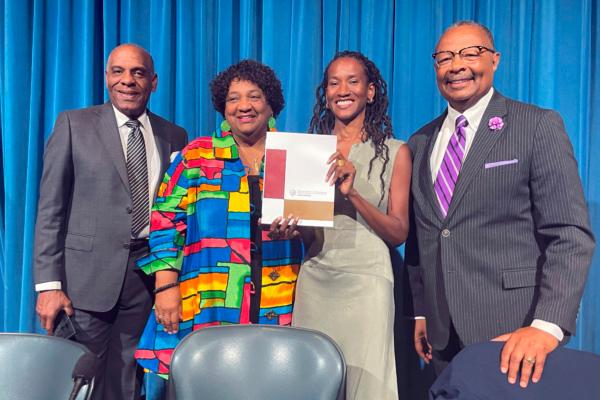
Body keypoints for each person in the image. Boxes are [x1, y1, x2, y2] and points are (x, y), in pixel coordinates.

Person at [405, 21, 595, 388]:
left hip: (516, 330)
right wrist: (421, 312)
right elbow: (421, 239)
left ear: (495, 60)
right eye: (445, 57)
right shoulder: (419, 142)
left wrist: (546, 326)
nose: (456, 65)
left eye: (470, 53)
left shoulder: (536, 125)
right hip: (442, 337)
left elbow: (570, 234)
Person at [33, 44, 188, 399]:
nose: (127, 81)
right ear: (107, 78)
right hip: (82, 283)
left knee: (126, 383)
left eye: (137, 72)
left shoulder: (174, 136)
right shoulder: (73, 123)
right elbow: (50, 210)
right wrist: (48, 285)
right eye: (118, 71)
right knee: (74, 381)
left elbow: (175, 210)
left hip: (145, 282)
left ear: (154, 81)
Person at [134, 60, 303, 379]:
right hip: (210, 296)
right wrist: (165, 287)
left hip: (280, 297)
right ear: (222, 107)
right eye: (233, 98)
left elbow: (316, 230)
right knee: (211, 381)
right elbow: (165, 221)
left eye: (254, 96)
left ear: (271, 103)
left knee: (271, 383)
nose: (244, 106)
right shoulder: (197, 155)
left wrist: (302, 230)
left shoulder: (294, 153)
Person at [292, 51, 412, 400]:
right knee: (310, 382)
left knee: (368, 386)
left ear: (370, 92)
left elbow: (399, 233)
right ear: (325, 93)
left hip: (368, 283)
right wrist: (292, 229)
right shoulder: (308, 151)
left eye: (353, 81)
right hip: (315, 280)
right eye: (334, 82)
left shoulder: (395, 152)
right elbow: (310, 230)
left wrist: (354, 196)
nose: (342, 89)